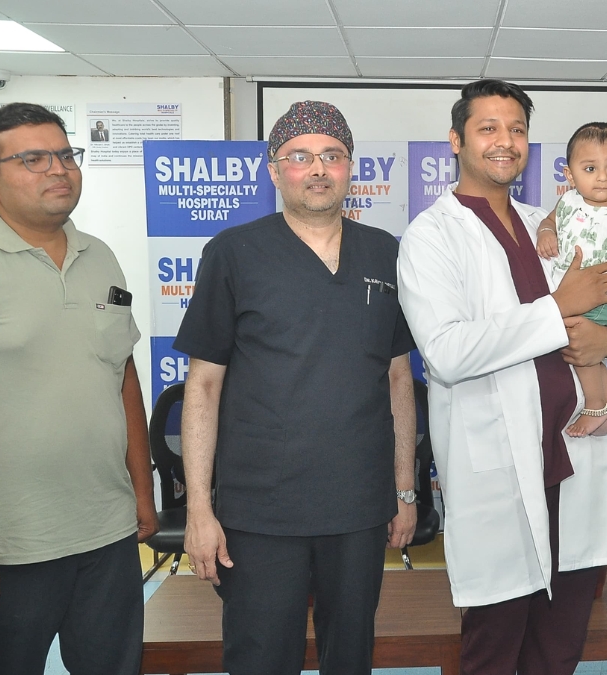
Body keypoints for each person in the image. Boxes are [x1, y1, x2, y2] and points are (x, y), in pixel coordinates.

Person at [397, 79, 607, 675]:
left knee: (559, 648)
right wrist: (557, 310)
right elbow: (447, 352)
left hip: (572, 457)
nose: (504, 141)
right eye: (488, 128)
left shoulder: (555, 223)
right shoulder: (432, 235)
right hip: (499, 470)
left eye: (517, 129)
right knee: (493, 648)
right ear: (456, 140)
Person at [176, 100, 417, 675]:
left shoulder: (386, 252)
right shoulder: (233, 253)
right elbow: (203, 387)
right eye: (300, 156)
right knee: (261, 657)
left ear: (351, 167)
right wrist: (199, 510)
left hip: (359, 506)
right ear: (273, 169)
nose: (317, 169)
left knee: (350, 656)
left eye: (332, 155)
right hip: (260, 510)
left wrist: (405, 491)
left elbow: (398, 377)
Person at [0, 103, 156, 674]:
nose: (58, 169)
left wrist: (142, 491)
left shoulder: (99, 255)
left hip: (107, 534)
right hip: (9, 544)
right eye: (33, 159)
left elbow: (122, 377)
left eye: (65, 155)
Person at [535, 122, 607, 437]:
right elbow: (549, 221)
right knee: (589, 351)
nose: (602, 177)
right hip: (575, 294)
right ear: (570, 175)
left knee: (578, 343)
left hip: (606, 297)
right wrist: (546, 232)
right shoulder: (568, 203)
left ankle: (595, 405)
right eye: (590, 168)